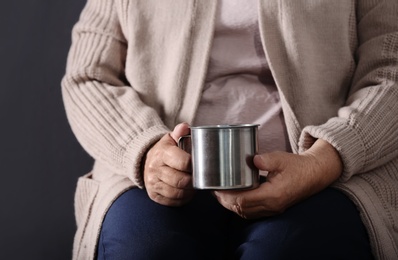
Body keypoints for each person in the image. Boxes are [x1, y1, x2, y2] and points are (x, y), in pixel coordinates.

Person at [61, 0, 398, 259]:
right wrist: (145, 150)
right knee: (147, 250)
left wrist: (323, 162)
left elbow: (391, 69)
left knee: (289, 251)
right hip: (153, 180)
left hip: (326, 175)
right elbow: (88, 75)